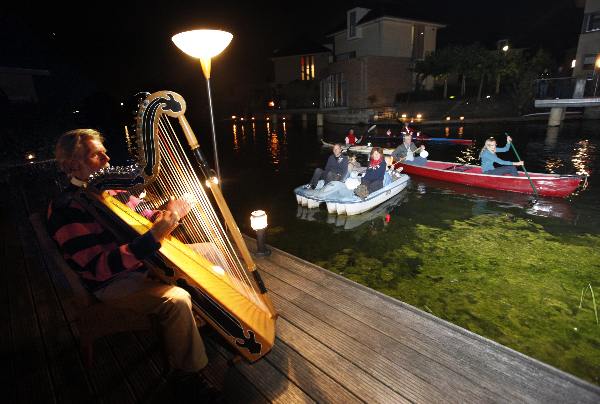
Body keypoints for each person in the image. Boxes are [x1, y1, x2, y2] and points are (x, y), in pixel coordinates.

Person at [47, 129, 218, 400]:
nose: (107, 158)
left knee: (212, 252)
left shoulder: (111, 190)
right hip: (113, 282)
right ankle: (188, 374)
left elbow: (145, 214)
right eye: (96, 154)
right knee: (176, 300)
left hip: (145, 263)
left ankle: (216, 320)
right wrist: (154, 236)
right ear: (71, 165)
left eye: (105, 152)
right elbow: (99, 267)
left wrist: (166, 213)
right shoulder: (65, 209)